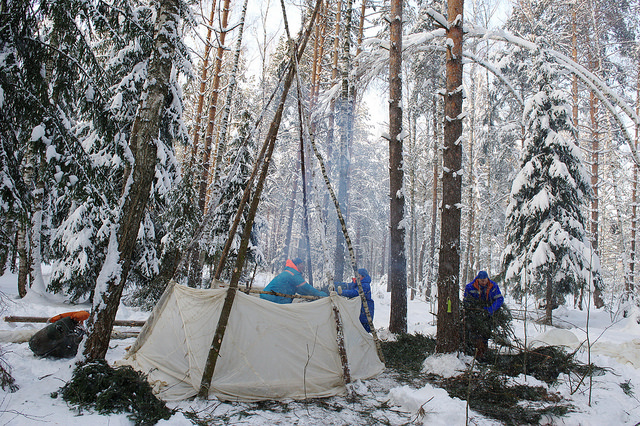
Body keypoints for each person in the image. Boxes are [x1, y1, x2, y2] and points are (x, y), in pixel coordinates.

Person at [463, 270, 504, 359]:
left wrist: (490, 310)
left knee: (485, 332)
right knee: (473, 332)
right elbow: (466, 301)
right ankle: (474, 352)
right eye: (482, 281)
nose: (483, 282)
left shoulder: (493, 286)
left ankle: (484, 352)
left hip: (487, 314)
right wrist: (475, 310)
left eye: (485, 280)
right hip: (474, 314)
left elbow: (499, 299)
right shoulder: (470, 287)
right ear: (478, 279)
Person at [260, 257, 327, 304]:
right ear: (297, 265)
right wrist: (322, 295)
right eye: (301, 264)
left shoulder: (289, 271)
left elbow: (301, 290)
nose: (303, 266)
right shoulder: (293, 274)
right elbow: (305, 288)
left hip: (269, 298)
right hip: (271, 299)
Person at [337, 268, 374, 332]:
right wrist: (337, 284)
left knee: (363, 328)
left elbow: (355, 293)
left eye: (359, 275)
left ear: (363, 276)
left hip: (365, 309)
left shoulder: (365, 285)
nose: (357, 277)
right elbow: (349, 285)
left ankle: (364, 341)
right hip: (360, 308)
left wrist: (342, 292)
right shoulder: (358, 282)